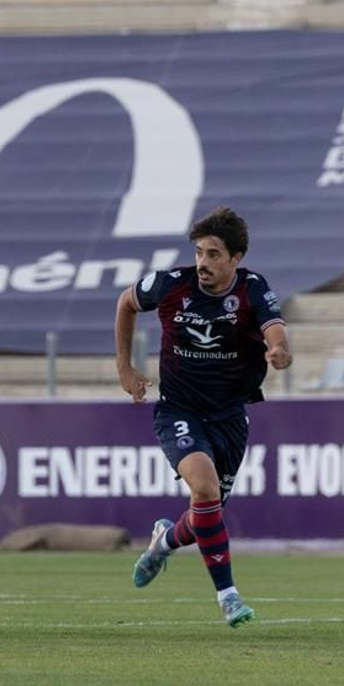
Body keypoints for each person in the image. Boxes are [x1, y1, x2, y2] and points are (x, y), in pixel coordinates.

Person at [115, 206, 292, 628]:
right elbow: (125, 302)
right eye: (199, 253)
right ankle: (228, 597)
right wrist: (124, 366)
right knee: (205, 487)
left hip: (230, 414)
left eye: (214, 254)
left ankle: (163, 542)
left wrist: (280, 350)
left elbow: (275, 329)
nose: (203, 263)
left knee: (204, 514)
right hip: (179, 409)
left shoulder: (252, 289)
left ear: (236, 258)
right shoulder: (171, 284)